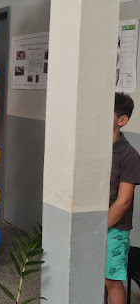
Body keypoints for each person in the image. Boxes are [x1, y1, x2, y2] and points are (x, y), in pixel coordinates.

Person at [105, 92, 140, 304]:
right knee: (97, 276)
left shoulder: (129, 155)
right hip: (96, 222)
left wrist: (101, 228)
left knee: (112, 281)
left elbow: (124, 200)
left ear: (122, 120)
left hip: (115, 229)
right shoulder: (97, 149)